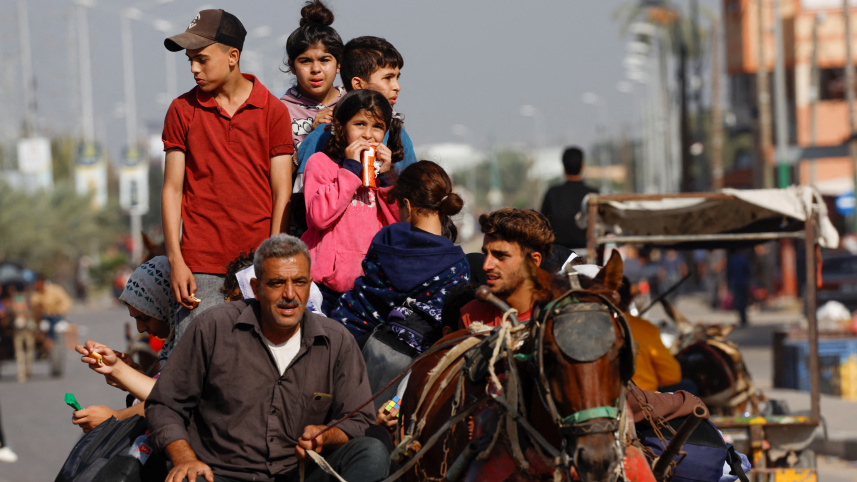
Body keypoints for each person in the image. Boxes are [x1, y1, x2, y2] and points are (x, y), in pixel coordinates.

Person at [145, 234, 388, 482]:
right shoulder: (213, 328)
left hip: (301, 474)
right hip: (220, 474)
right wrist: (184, 459)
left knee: (372, 452)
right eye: (277, 283)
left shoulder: (337, 342)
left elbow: (358, 420)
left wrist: (326, 435)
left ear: (310, 284)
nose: (290, 294)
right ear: (255, 288)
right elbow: (165, 405)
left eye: (300, 282)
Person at [160, 9, 294, 339]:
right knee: (196, 374)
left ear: (232, 56)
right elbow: (172, 190)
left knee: (259, 371)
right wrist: (176, 261)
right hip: (200, 266)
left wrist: (272, 261)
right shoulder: (181, 110)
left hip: (256, 266)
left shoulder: (273, 111)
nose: (193, 68)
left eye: (202, 59)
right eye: (190, 60)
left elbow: (282, 192)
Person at [331, 160, 469, 339]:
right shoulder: (458, 265)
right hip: (419, 355)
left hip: (353, 336)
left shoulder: (386, 239)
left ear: (408, 206)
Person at [301, 89, 400, 310]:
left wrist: (388, 179)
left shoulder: (385, 175)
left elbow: (398, 225)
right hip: (325, 286)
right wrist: (350, 171)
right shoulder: (321, 163)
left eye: (377, 127)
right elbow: (318, 218)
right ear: (341, 126)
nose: (368, 134)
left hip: (369, 284)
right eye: (359, 124)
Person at [72, 256, 179, 432]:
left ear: (168, 307)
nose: (140, 328)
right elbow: (161, 393)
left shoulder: (196, 343)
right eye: (135, 319)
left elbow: (174, 401)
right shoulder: (174, 343)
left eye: (145, 318)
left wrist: (113, 418)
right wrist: (129, 374)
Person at [295, 36, 417, 174]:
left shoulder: (397, 133)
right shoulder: (324, 133)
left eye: (377, 127)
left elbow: (412, 186)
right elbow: (305, 190)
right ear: (358, 85)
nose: (397, 87)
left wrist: (387, 175)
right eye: (387, 78)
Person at [459, 208, 555, 329]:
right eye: (485, 253)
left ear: (533, 261)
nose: (486, 266)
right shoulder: (471, 317)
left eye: (501, 255)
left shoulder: (558, 317)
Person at [616, 277, 683, 392]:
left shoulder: (590, 326)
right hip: (643, 397)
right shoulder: (645, 328)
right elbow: (672, 375)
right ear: (630, 299)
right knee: (689, 386)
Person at [540, 146, 598, 250]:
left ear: (564, 167)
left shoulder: (552, 194)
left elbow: (543, 224)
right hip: (588, 252)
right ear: (582, 166)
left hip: (559, 253)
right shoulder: (593, 194)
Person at [29, 273, 73, 348]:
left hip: (56, 315)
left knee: (53, 321)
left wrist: (57, 310)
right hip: (42, 316)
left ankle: (50, 339)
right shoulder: (35, 294)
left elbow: (66, 302)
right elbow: (33, 306)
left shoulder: (55, 290)